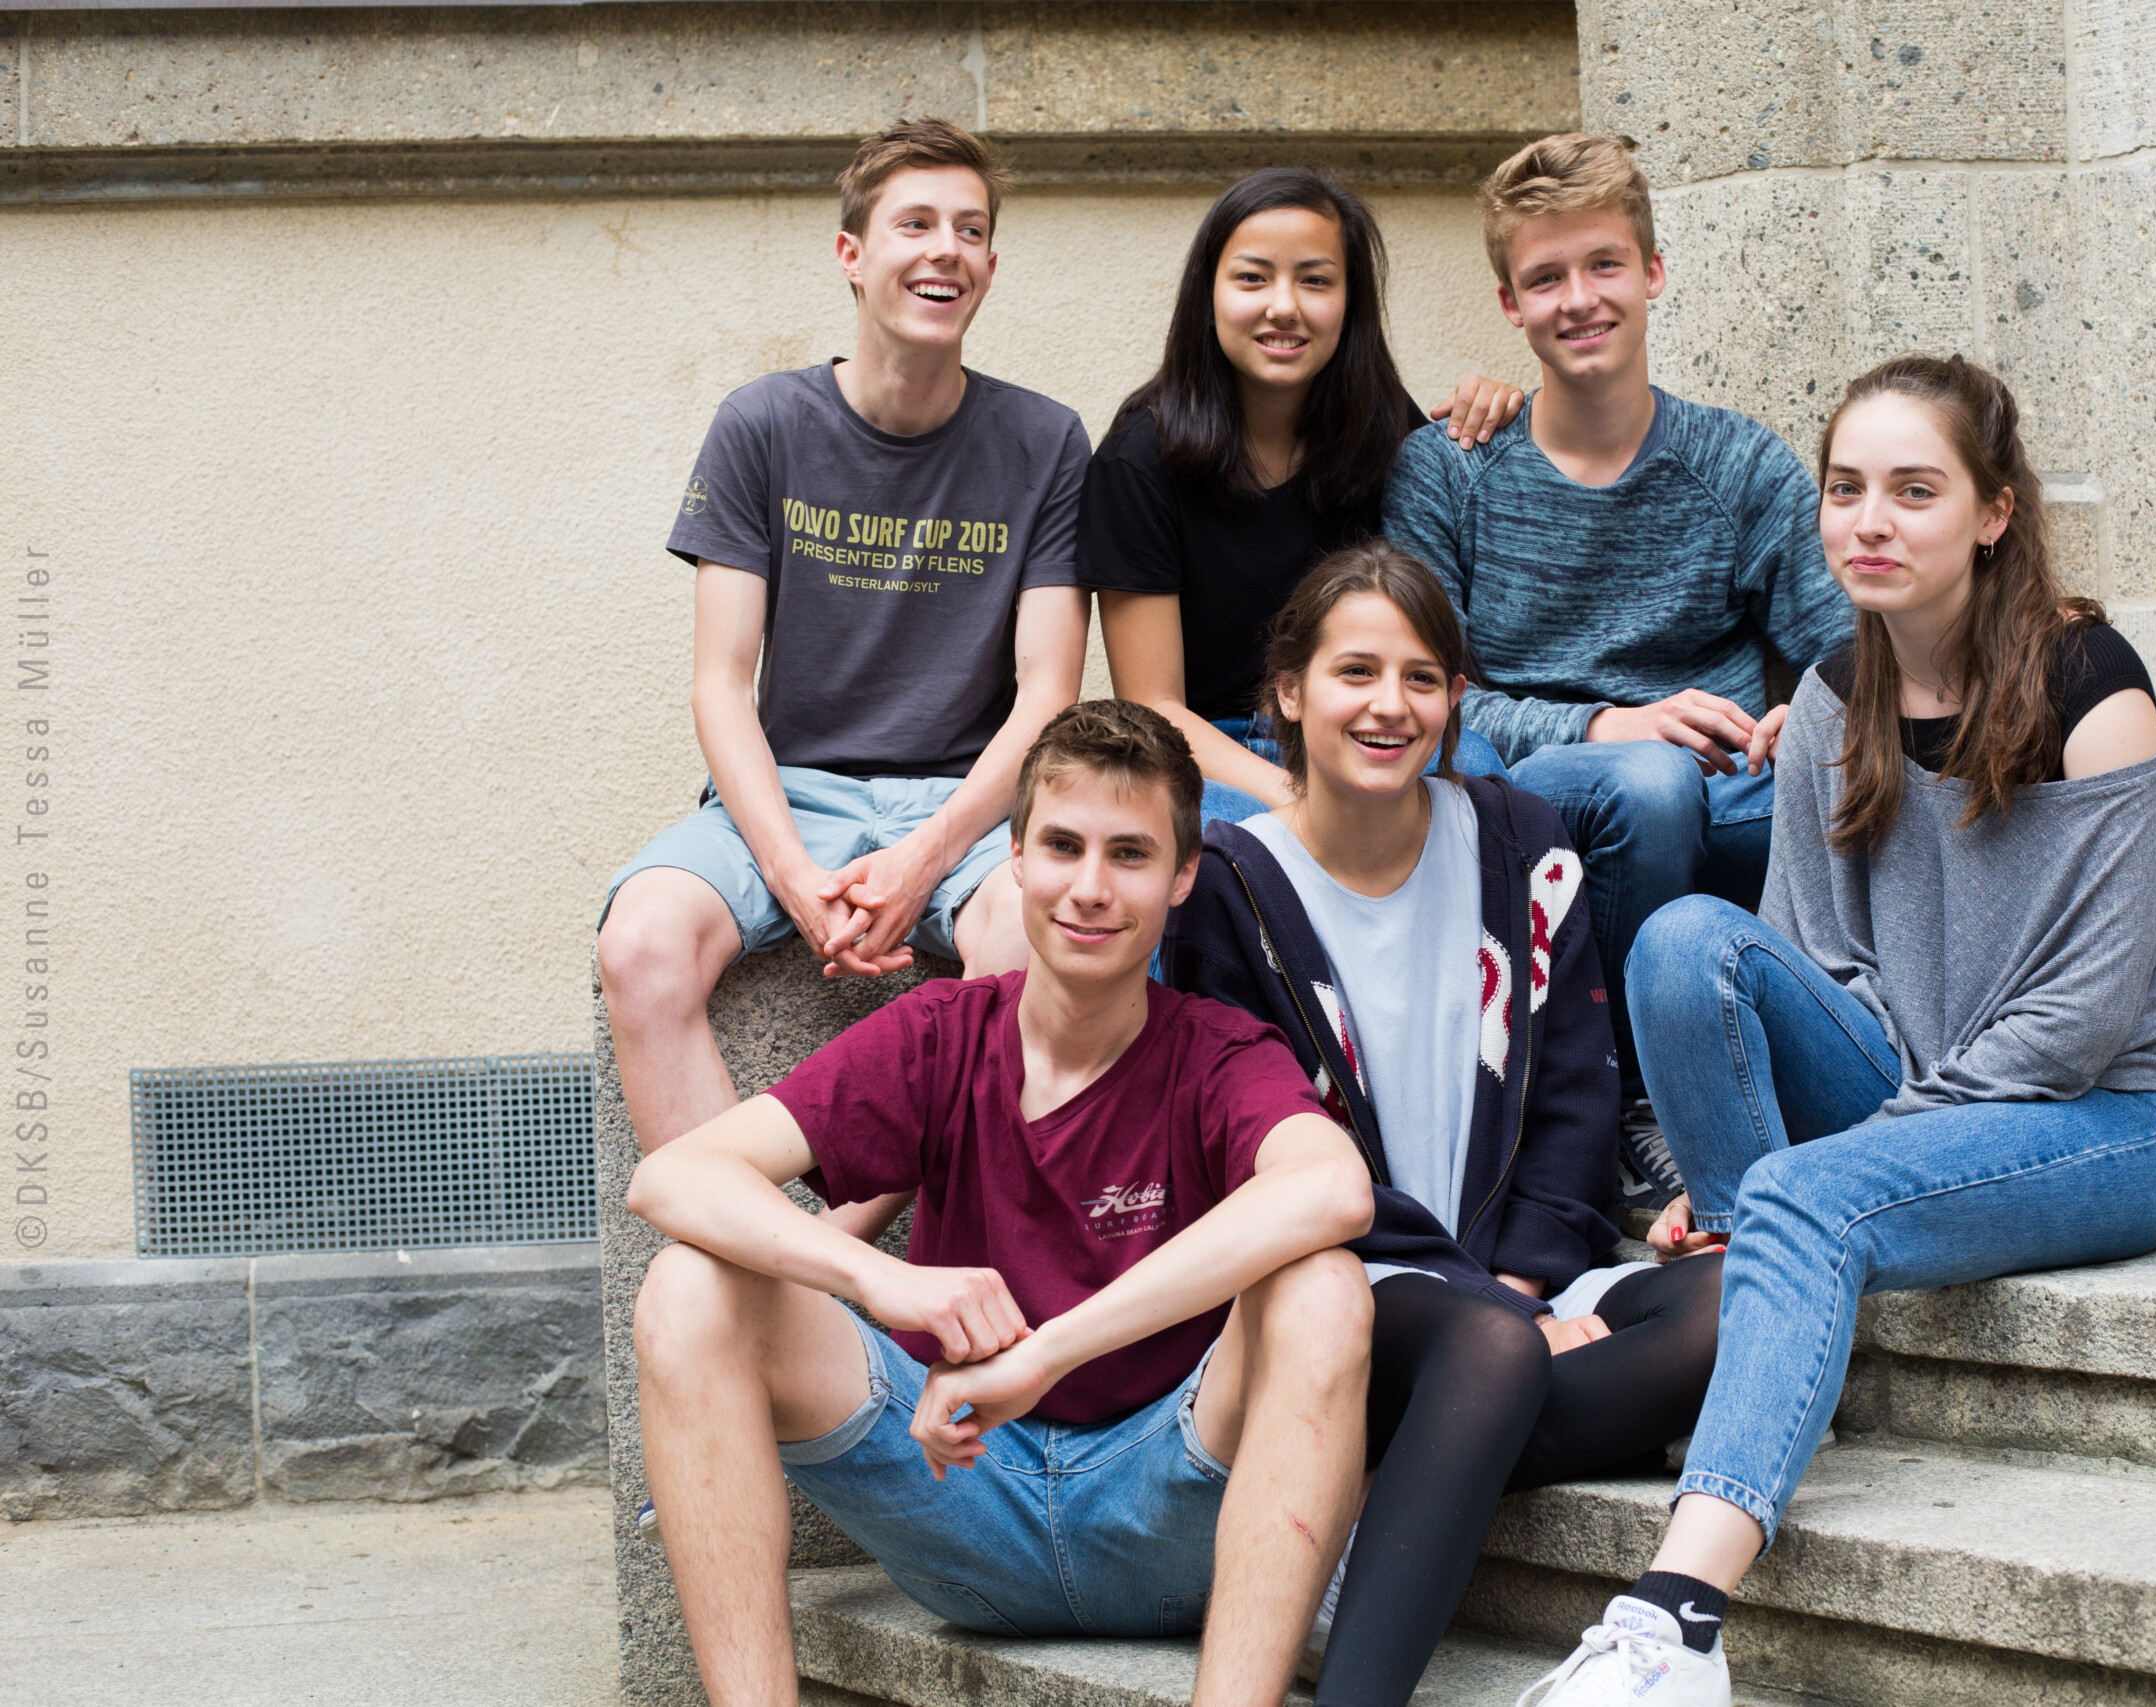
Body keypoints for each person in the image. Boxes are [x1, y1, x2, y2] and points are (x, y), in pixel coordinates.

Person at [1517, 354, 2156, 1707]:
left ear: (1994, 511)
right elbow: (1815, 955)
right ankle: (1756, 1299)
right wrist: (1831, 1148)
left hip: (2107, 1118)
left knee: (1805, 1196)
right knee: (1680, 940)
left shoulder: (2094, 688)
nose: (1869, 519)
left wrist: (1828, 1166)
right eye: (1845, 489)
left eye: (1914, 489)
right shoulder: (1836, 697)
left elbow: (2081, 1018)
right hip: (1914, 1078)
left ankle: (1674, 1620)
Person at [626, 700, 1378, 1707]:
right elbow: (670, 1178)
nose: (1090, 888)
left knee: (1325, 1289)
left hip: (1170, 1511)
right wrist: (880, 1279)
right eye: (1062, 846)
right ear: (1016, 856)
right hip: (958, 1496)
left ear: (1183, 875)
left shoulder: (1217, 1054)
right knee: (687, 1289)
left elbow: (1331, 1185)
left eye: (1130, 854)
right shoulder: (940, 1034)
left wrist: (1044, 1354)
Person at [1161, 543, 1728, 1707]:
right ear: (1288, 690)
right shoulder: (1232, 882)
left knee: (1745, 1296)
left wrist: (1519, 1293)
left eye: (1423, 677)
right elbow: (1249, 1160)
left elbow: (1577, 1095)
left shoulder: (1520, 845)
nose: (1390, 705)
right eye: (1354, 671)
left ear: (1457, 698)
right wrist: (1490, 1319)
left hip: (1504, 1293)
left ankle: (1401, 1470)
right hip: (1341, 1296)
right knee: (1484, 1352)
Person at [597, 118, 1093, 1155]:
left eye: (968, 229)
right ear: (852, 255)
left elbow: (1048, 692)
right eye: (913, 223)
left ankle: (895, 1262)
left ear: (990, 268)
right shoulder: (763, 424)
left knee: (1033, 947)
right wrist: (788, 873)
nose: (943, 249)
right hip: (793, 795)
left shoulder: (1045, 442)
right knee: (641, 945)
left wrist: (925, 856)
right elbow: (720, 687)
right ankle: (737, 1269)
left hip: (968, 806)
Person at [1380, 132, 1856, 1208]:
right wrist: (1603, 728)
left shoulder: (1736, 462)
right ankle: (1632, 1101)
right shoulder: (1448, 469)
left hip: (1724, 794)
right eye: (1545, 278)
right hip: (1536, 794)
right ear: (1508, 302)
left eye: (1602, 266)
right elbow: (1423, 698)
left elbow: (1848, 650)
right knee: (1643, 784)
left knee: (1851, 788)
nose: (1578, 299)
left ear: (1651, 272)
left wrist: (1813, 716)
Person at [1081, 166, 1527, 825]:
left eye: (1315, 280)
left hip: (1359, 721)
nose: (1284, 305)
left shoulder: (1380, 425)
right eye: (1253, 277)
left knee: (1479, 775)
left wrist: (1494, 407)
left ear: (1350, 302)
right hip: (1213, 749)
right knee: (1224, 837)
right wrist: (1299, 796)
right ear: (1209, 292)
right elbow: (1157, 707)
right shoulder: (1139, 457)